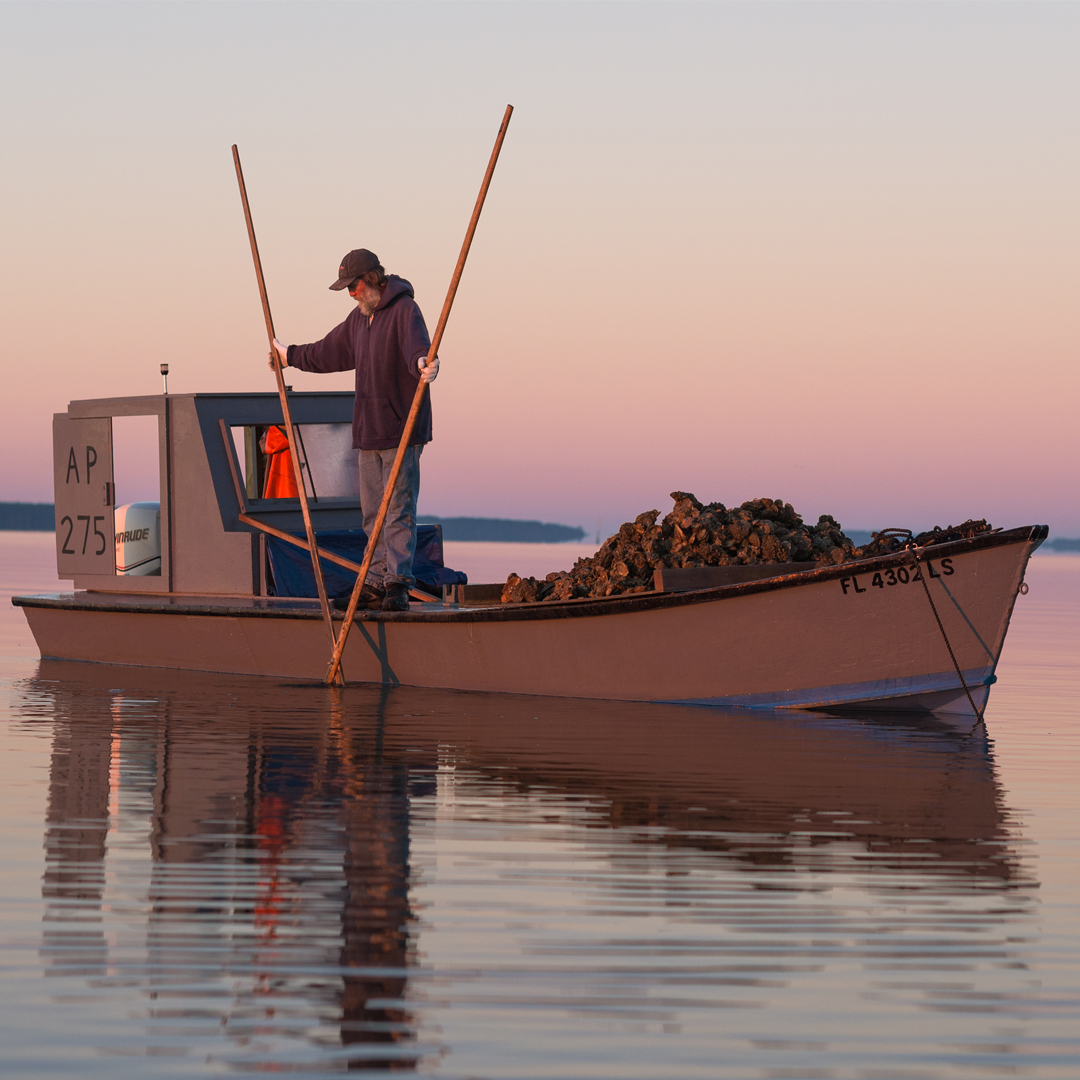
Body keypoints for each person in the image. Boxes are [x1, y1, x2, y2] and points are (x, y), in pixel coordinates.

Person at [270, 249, 439, 612]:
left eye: (355, 285)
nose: (351, 293)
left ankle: (397, 583)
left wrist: (423, 362)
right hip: (369, 432)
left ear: (375, 278)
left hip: (400, 431)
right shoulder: (358, 321)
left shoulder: (405, 311)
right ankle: (376, 581)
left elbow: (417, 348)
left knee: (398, 510)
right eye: (347, 288)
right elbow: (327, 352)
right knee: (372, 512)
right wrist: (290, 356)